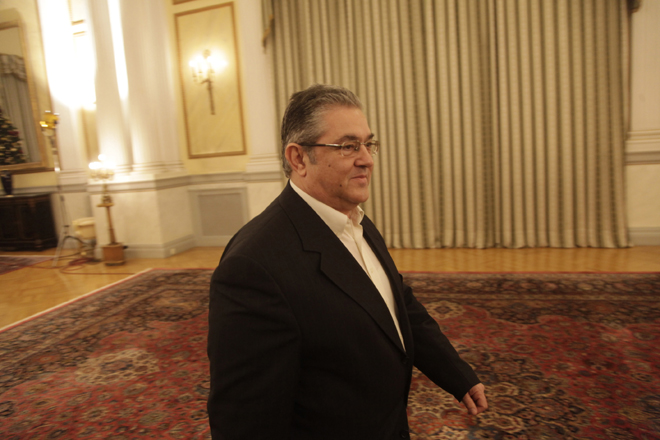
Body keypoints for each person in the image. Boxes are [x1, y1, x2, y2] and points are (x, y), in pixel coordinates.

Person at [207, 84, 487, 439]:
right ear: (298, 158)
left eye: (369, 144)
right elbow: (244, 421)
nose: (367, 159)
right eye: (348, 146)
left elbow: (397, 304)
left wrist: (455, 373)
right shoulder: (253, 267)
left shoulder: (355, 219)